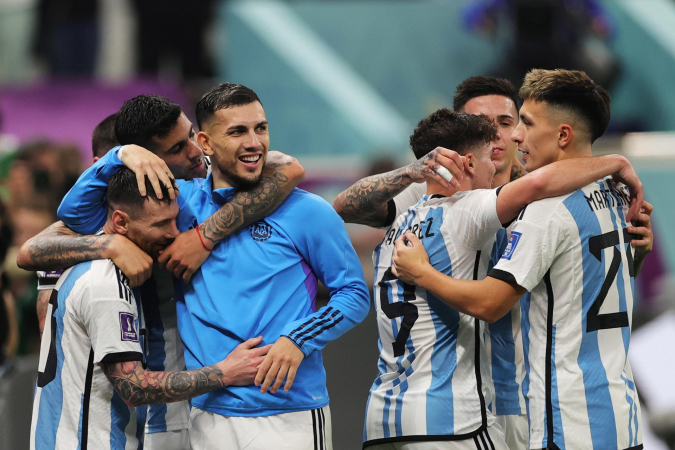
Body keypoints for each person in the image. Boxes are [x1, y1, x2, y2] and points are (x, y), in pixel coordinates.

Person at [55, 82, 371, 450]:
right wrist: (122, 155)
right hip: (206, 414)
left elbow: (352, 294)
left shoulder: (308, 211)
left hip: (287, 411)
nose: (254, 142)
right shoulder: (178, 204)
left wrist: (297, 340)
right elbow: (75, 213)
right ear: (205, 143)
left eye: (261, 128)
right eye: (237, 131)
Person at [18, 94, 305, 449]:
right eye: (175, 148)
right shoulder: (107, 240)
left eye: (190, 135)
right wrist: (110, 243)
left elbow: (290, 168)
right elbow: (30, 251)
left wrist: (205, 235)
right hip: (151, 412)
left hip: (190, 404)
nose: (194, 152)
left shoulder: (196, 195)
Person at [392, 69, 648, 450]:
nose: (513, 136)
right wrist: (638, 254)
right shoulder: (616, 195)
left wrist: (423, 273)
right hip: (620, 414)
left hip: (568, 421)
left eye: (524, 123)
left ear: (563, 135)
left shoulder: (546, 211)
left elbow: (491, 303)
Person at [335, 76, 531, 447]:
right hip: (460, 402)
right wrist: (412, 169)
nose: (496, 135)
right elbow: (344, 207)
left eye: (505, 123)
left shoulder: (542, 197)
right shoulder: (432, 193)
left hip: (523, 392)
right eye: (482, 124)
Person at [30, 168, 271, 449]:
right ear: (120, 221)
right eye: (160, 224)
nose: (174, 233)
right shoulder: (106, 285)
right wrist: (226, 372)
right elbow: (133, 386)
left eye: (174, 219)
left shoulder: (85, 263)